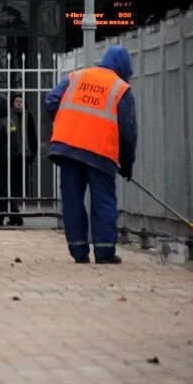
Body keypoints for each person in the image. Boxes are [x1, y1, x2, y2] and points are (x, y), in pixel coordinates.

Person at [45, 46, 137, 264]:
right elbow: (128, 132)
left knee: (72, 199)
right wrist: (126, 165)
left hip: (68, 147)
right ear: (123, 68)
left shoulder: (76, 77)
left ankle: (78, 251)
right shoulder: (121, 88)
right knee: (103, 201)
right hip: (100, 152)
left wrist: (68, 121)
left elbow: (51, 101)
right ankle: (104, 252)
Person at [0, 93, 37, 227]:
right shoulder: (11, 122)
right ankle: (15, 217)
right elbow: (14, 142)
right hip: (12, 159)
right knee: (8, 189)